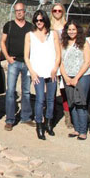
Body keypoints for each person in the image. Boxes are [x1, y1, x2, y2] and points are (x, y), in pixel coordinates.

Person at [24, 10, 61, 140]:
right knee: (40, 99)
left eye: (41, 20)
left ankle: (49, 123)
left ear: (45, 20)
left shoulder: (53, 34)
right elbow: (26, 56)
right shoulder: (29, 35)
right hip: (37, 71)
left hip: (51, 70)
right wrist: (32, 72)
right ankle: (39, 124)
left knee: (51, 99)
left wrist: (55, 68)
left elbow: (58, 53)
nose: (39, 22)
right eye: (36, 20)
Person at [1, 2, 34, 130]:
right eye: (17, 10)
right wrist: (8, 57)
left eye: (21, 10)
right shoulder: (9, 25)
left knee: (26, 91)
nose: (19, 12)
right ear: (15, 12)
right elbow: (2, 42)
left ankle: (26, 117)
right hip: (13, 62)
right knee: (10, 91)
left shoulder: (31, 27)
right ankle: (10, 119)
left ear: (25, 12)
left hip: (27, 63)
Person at [59, 20, 90, 140]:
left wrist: (77, 77)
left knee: (81, 103)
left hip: (82, 76)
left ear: (77, 30)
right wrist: (66, 77)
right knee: (72, 102)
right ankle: (76, 129)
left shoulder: (84, 43)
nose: (71, 32)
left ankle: (83, 130)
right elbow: (60, 62)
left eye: (73, 29)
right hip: (68, 76)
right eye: (69, 29)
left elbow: (87, 61)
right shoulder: (63, 44)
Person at [49, 3, 72, 129]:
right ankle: (51, 114)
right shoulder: (49, 26)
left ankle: (68, 115)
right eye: (55, 10)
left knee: (64, 89)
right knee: (51, 88)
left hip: (64, 59)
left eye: (59, 10)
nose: (57, 12)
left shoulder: (67, 25)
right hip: (52, 59)